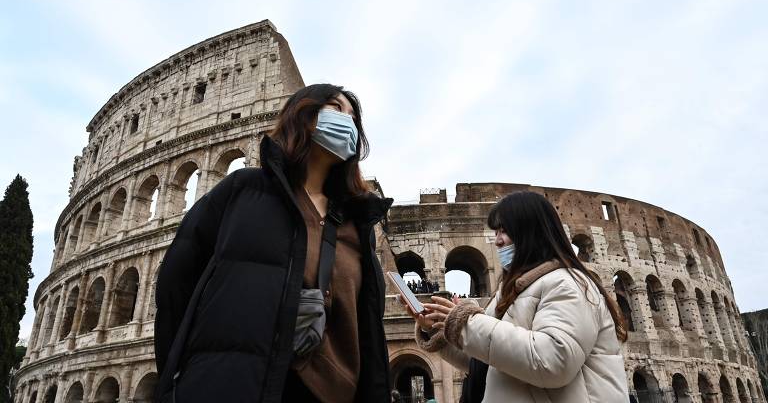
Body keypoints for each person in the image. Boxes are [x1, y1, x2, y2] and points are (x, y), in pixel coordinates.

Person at [154, 84, 393, 403]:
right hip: (236, 384)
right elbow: (176, 285)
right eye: (336, 109)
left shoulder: (357, 224)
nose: (347, 122)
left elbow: (366, 330)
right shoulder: (241, 191)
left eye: (354, 118)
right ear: (303, 113)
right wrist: (183, 380)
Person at [400, 191, 629, 402]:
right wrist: (437, 330)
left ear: (531, 232)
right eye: (496, 232)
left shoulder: (568, 284)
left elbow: (554, 361)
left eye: (504, 231)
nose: (498, 240)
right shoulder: (510, 293)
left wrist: (466, 324)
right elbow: (484, 362)